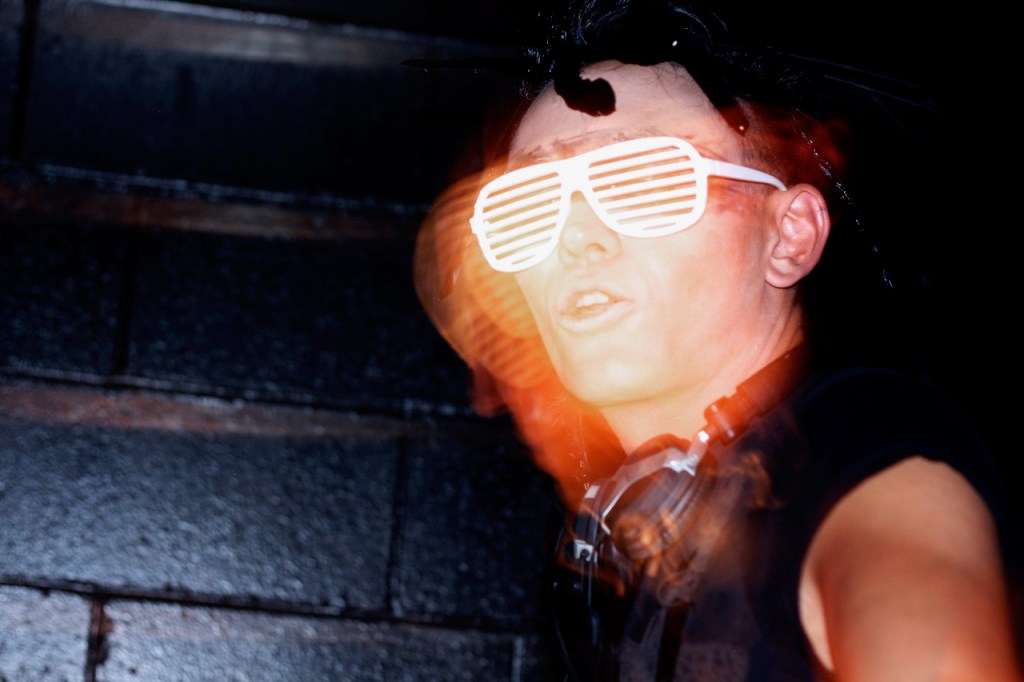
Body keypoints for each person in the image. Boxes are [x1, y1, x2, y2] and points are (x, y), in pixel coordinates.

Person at [413, 1, 1022, 679]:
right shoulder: (622, 545)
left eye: (643, 181)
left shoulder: (855, 450)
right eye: (529, 204)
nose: (575, 237)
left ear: (789, 235)